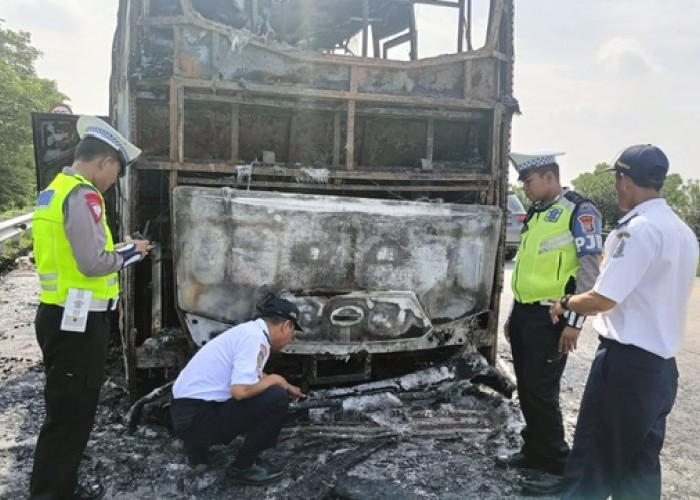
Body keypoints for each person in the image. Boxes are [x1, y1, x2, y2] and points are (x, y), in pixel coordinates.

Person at [524, 144, 699, 497]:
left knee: (591, 467)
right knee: (639, 471)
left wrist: (565, 303)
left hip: (625, 370)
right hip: (661, 371)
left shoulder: (636, 230)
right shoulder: (682, 231)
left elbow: (603, 298)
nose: (618, 188)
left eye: (619, 180)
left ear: (626, 180)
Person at [30, 116, 150, 499]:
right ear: (105, 162)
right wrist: (133, 252)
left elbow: (81, 255)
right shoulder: (84, 196)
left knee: (70, 413)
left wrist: (118, 249)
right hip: (76, 322)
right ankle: (50, 494)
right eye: (116, 170)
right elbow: (92, 263)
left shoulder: (55, 190)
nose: (114, 180)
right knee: (69, 418)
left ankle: (60, 487)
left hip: (61, 315)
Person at [497, 152, 603, 479]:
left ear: (548, 177)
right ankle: (534, 451)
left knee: (542, 393)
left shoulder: (579, 210)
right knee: (527, 388)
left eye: (528, 182)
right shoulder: (537, 213)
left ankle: (558, 463)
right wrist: (514, 314)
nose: (525, 188)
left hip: (554, 318)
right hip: (527, 315)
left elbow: (589, 270)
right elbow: (527, 270)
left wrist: (575, 323)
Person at [170, 296, 305, 486]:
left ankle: (197, 449)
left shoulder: (248, 332)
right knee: (276, 398)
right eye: (293, 333)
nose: (291, 339)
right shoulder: (255, 339)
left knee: (274, 388)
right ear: (286, 326)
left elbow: (252, 374)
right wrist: (276, 380)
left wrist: (285, 384)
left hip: (186, 415)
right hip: (196, 420)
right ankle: (243, 467)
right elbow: (240, 392)